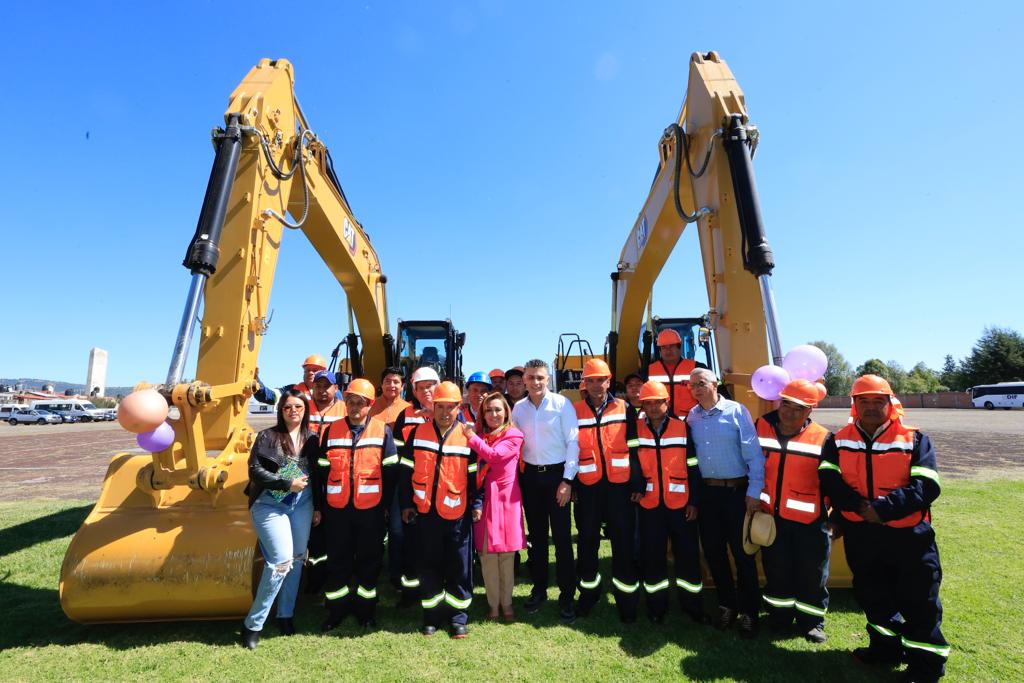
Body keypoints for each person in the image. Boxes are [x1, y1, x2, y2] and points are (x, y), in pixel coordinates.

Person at [819, 375, 949, 681]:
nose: (871, 407)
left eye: (878, 401)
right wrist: (859, 507)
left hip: (909, 537)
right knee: (873, 595)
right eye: (863, 401)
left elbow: (927, 485)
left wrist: (882, 509)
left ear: (890, 404)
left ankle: (925, 667)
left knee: (919, 600)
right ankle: (884, 649)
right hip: (862, 535)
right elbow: (829, 479)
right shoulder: (837, 440)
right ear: (854, 404)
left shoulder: (915, 439)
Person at [686, 367, 765, 637]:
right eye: (692, 385)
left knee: (743, 555)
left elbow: (754, 455)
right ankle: (727, 606)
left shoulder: (736, 411)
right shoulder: (692, 417)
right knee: (714, 553)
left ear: (715, 384)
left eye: (700, 383)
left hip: (736, 494)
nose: (696, 389)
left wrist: (754, 491)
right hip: (707, 496)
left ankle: (749, 613)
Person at [315, 378, 398, 632]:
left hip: (371, 511)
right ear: (345, 403)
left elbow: (391, 472)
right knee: (337, 561)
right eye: (350, 401)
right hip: (337, 510)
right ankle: (336, 611)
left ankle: (366, 611)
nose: (354, 407)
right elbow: (321, 470)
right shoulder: (332, 430)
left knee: (369, 562)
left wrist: (384, 507)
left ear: (370, 405)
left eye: (360, 403)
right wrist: (322, 505)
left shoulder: (382, 431)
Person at [400, 381, 481, 638]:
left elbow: (475, 477)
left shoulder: (468, 436)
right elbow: (405, 472)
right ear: (433, 407)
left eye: (450, 407)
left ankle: (458, 617)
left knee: (459, 566)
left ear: (459, 407)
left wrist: (477, 504)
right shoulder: (418, 433)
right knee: (429, 565)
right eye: (440, 407)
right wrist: (406, 504)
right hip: (425, 513)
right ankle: (432, 616)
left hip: (458, 513)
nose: (445, 412)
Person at [754, 379, 832, 643]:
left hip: (810, 522)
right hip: (771, 517)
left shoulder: (823, 437)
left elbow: (832, 482)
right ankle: (779, 618)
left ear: (809, 410)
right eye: (786, 404)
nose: (789, 412)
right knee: (776, 571)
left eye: (798, 407)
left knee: (812, 574)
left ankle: (812, 623)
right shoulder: (761, 427)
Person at [240, 390, 318, 649]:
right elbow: (255, 470)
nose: (293, 411)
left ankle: (286, 614)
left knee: (296, 559)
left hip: (303, 503)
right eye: (287, 407)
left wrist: (317, 506)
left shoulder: (313, 438)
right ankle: (253, 625)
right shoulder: (267, 436)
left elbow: (318, 474)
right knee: (280, 563)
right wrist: (286, 483)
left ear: (305, 410)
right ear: (281, 411)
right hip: (269, 504)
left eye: (298, 406)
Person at [628, 380, 708, 625]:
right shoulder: (636, 429)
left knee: (688, 557)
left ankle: (692, 606)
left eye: (658, 402)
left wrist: (694, 501)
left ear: (667, 402)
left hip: (681, 505)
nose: (653, 408)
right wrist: (636, 485)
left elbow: (693, 466)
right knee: (652, 558)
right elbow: (632, 461)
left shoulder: (682, 428)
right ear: (642, 406)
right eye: (648, 403)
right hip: (649, 504)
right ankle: (656, 607)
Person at [572, 358, 640, 622]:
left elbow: (635, 447)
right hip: (588, 488)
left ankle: (627, 602)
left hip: (620, 488)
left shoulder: (624, 408)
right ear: (585, 383)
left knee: (623, 545)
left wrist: (636, 482)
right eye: (591, 380)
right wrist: (573, 484)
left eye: (600, 380)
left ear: (608, 381)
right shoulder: (575, 411)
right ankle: (588, 596)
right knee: (587, 543)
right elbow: (570, 449)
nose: (596, 385)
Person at [511, 359, 579, 624]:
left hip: (556, 477)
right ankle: (539, 589)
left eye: (540, 377)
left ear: (548, 379)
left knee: (562, 539)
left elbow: (573, 442)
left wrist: (567, 480)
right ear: (524, 380)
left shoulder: (562, 404)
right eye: (531, 377)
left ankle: (567, 596)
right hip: (530, 478)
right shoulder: (519, 408)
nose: (535, 382)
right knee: (537, 539)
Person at [462, 392, 525, 621]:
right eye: (488, 410)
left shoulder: (514, 435)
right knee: (487, 557)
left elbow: (495, 456)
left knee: (506, 557)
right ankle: (492, 604)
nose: (493, 414)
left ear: (506, 412)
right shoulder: (481, 436)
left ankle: (506, 603)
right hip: (484, 501)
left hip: (507, 502)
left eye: (498, 409)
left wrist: (471, 437)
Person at [391, 366, 439, 606]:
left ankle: (434, 586)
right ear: (414, 390)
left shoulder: (450, 411)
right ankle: (409, 591)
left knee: (435, 541)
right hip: (411, 486)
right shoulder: (405, 415)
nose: (426, 391)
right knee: (409, 539)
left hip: (441, 488)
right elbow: (400, 457)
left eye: (430, 386)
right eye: (421, 387)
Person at [646, 329, 698, 418]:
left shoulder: (697, 367)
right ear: (660, 350)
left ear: (679, 347)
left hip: (691, 421)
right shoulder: (648, 370)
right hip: (661, 422)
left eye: (671, 346)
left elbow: (715, 386)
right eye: (664, 347)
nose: (668, 351)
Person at [253, 354, 326, 404]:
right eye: (307, 370)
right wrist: (255, 380)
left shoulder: (331, 392)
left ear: (324, 372)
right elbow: (270, 396)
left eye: (315, 370)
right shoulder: (292, 390)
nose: (310, 373)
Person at [308, 370, 347, 435]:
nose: (321, 390)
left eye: (326, 386)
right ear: (313, 387)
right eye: (318, 386)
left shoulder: (345, 409)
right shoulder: (303, 407)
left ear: (336, 388)